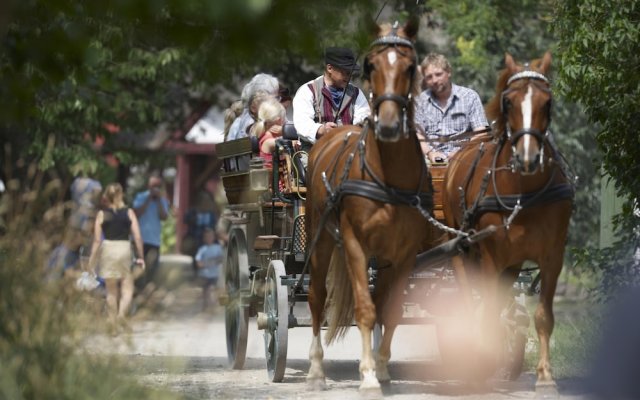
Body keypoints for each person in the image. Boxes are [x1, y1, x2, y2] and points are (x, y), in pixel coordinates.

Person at [88, 183, 145, 335]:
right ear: (121, 195)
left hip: (108, 250)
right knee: (127, 289)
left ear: (106, 196)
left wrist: (91, 261)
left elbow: (96, 240)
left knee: (111, 291)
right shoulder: (129, 213)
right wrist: (141, 256)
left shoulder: (101, 214)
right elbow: (138, 237)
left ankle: (113, 325)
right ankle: (121, 316)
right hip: (124, 249)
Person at [415, 53, 489, 163]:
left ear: (448, 72)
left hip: (464, 157)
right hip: (429, 160)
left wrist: (460, 152)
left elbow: (481, 132)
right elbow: (417, 134)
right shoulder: (420, 101)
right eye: (429, 77)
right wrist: (431, 153)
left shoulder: (469, 97)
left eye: (438, 74)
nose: (434, 80)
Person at [292, 47, 370, 144]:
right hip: (314, 150)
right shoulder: (307, 91)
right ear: (330, 68)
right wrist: (321, 129)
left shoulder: (357, 93)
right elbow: (302, 124)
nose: (349, 76)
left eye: (350, 72)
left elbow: (364, 118)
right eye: (345, 72)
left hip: (349, 148)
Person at [132, 175, 170, 292]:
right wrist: (148, 199)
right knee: (138, 272)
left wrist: (158, 200)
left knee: (152, 273)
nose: (155, 188)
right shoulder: (140, 197)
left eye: (158, 186)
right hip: (140, 240)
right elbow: (136, 214)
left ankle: (148, 298)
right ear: (148, 186)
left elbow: (164, 217)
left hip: (154, 242)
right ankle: (137, 296)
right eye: (153, 186)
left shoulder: (162, 200)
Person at [226, 73, 280, 142]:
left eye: (277, 98)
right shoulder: (254, 124)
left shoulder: (239, 121)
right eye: (273, 99)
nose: (276, 103)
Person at [250, 97, 287, 169]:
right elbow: (290, 143)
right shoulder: (269, 141)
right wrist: (284, 132)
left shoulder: (264, 136)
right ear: (279, 120)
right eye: (284, 119)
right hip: (272, 178)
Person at [194, 227, 224, 311]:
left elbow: (221, 258)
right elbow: (198, 260)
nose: (208, 238)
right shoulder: (202, 249)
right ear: (204, 238)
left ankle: (211, 305)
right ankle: (205, 305)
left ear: (213, 237)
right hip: (204, 274)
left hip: (214, 274)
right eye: (206, 237)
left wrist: (214, 261)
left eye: (210, 236)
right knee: (205, 290)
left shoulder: (217, 248)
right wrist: (200, 264)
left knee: (211, 289)